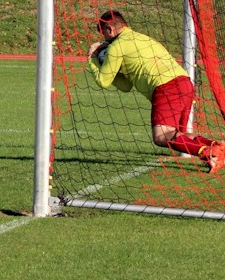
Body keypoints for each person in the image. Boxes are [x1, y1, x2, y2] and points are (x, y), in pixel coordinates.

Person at [88, 10, 225, 173]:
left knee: (162, 136)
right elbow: (126, 86)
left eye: (101, 31)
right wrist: (114, 72)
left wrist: (93, 59)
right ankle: (218, 149)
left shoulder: (117, 46)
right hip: (184, 82)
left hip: (166, 87)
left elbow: (103, 81)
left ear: (109, 29)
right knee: (177, 134)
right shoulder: (141, 38)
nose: (102, 37)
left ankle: (208, 153)